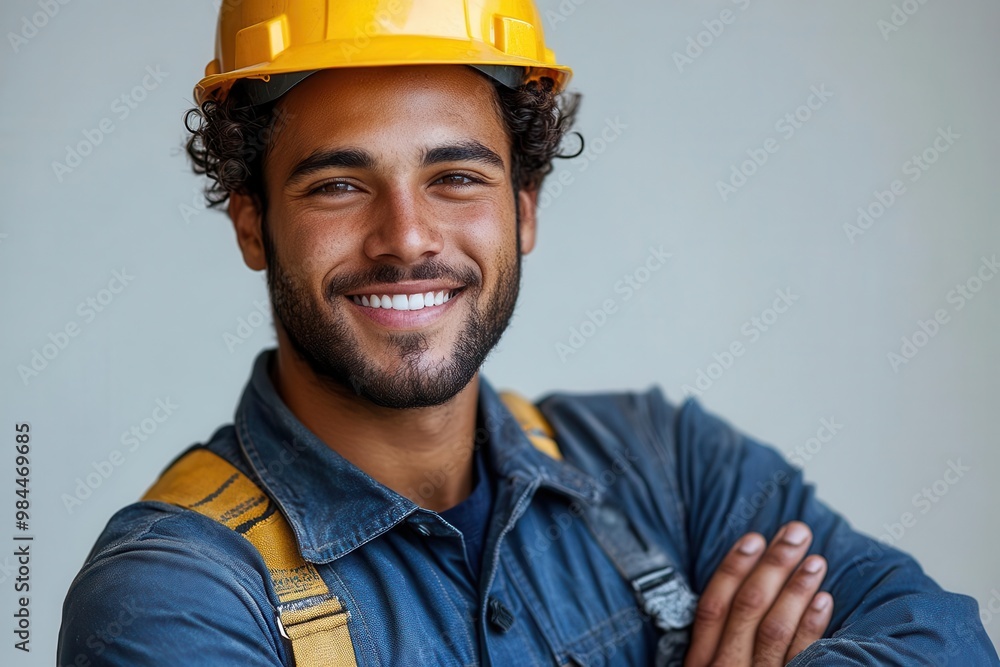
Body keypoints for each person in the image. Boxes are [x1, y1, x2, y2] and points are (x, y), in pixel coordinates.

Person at [58, 1, 998, 665]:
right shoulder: (175, 597)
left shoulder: (666, 465)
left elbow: (945, 636)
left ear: (526, 208)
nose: (408, 238)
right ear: (253, 222)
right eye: (339, 185)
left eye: (456, 177)